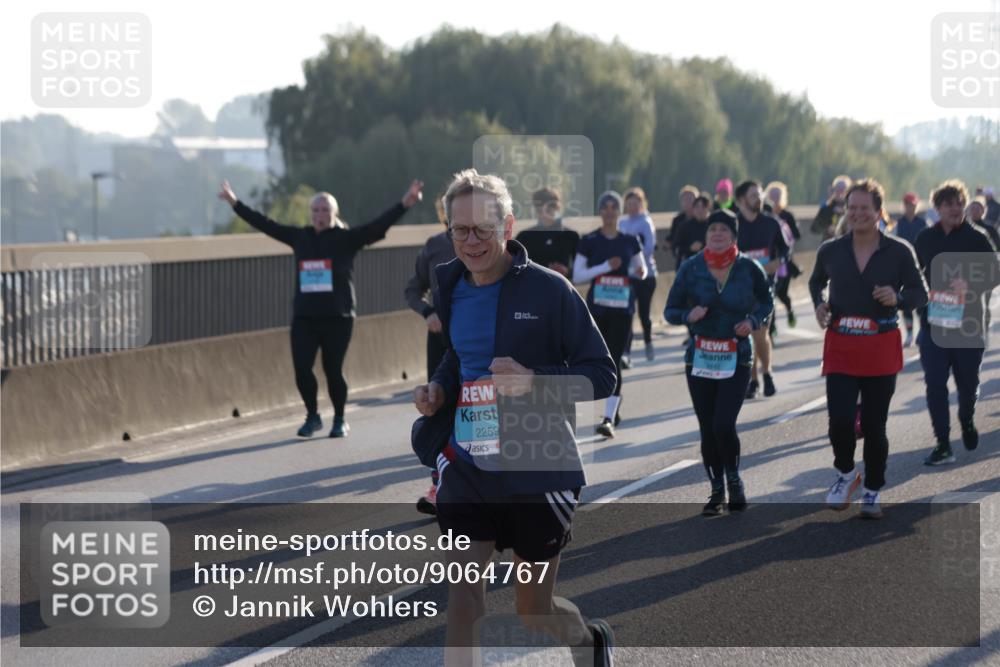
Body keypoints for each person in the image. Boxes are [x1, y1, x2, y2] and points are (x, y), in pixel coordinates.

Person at [412, 169, 617, 667]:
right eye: (460, 230)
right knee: (462, 600)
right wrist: (439, 387)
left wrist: (534, 381)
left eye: (483, 228)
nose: (471, 241)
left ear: (507, 226)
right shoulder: (451, 285)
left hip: (536, 467)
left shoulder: (551, 292)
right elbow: (461, 356)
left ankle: (590, 641)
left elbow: (603, 376)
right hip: (468, 466)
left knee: (534, 611)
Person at [219, 178, 424, 438]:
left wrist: (404, 204)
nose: (320, 214)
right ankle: (312, 416)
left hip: (338, 316)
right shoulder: (300, 237)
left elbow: (377, 227)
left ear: (334, 213)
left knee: (332, 369)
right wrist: (234, 202)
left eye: (325, 209)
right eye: (316, 210)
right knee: (302, 368)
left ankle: (339, 419)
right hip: (305, 316)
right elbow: (265, 224)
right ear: (311, 214)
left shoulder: (346, 239)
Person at [809, 178, 928, 519]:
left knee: (875, 426)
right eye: (853, 208)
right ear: (845, 211)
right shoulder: (830, 250)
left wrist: (899, 297)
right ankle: (846, 474)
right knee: (840, 422)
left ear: (878, 212)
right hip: (841, 346)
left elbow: (921, 293)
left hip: (880, 346)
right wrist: (819, 304)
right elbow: (816, 281)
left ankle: (873, 490)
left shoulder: (899, 250)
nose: (858, 213)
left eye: (865, 208)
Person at [664, 208, 772, 516]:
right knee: (707, 428)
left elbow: (767, 300)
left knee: (724, 424)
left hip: (736, 356)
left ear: (734, 235)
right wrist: (688, 316)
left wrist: (752, 320)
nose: (717, 234)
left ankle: (734, 479)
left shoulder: (749, 268)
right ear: (706, 234)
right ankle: (716, 490)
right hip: (699, 357)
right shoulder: (691, 268)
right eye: (713, 230)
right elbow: (669, 310)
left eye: (724, 230)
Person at [915, 180, 1000, 466]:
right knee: (935, 384)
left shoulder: (977, 238)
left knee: (968, 384)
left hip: (969, 326)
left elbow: (995, 274)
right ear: (937, 208)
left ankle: (966, 418)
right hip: (934, 326)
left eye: (958, 203)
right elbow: (912, 276)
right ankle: (942, 443)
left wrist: (971, 282)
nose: (955, 208)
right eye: (948, 204)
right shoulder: (925, 239)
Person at [574, 190, 648, 437]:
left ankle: (607, 418)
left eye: (613, 207)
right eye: (604, 207)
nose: (608, 211)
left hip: (623, 308)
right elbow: (578, 276)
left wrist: (639, 272)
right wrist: (606, 266)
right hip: (597, 308)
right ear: (600, 211)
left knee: (615, 360)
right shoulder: (589, 240)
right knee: (597, 359)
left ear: (620, 211)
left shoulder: (629, 240)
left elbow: (642, 269)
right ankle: (611, 407)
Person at [404, 194, 457, 515]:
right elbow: (412, 289)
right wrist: (427, 312)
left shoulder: (491, 243)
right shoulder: (434, 246)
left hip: (478, 336)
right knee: (438, 406)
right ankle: (438, 485)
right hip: (441, 338)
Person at [734, 180, 788, 399]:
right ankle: (753, 380)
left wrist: (778, 262)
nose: (759, 198)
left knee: (760, 333)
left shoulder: (771, 223)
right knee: (746, 334)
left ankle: (767, 373)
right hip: (739, 288)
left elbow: (786, 249)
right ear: (740, 200)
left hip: (764, 287)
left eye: (759, 194)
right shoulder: (732, 225)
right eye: (753, 195)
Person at [618, 186, 658, 363]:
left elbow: (649, 247)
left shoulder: (646, 222)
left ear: (641, 204)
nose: (632, 207)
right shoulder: (622, 223)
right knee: (627, 313)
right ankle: (626, 352)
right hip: (627, 275)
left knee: (643, 313)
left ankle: (648, 341)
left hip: (645, 275)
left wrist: (636, 261)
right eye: (629, 204)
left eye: (636, 203)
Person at [515, 187, 580, 279]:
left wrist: (567, 272)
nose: (545, 211)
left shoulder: (572, 236)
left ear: (558, 207)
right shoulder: (524, 237)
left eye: (551, 206)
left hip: (561, 290)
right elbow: (514, 269)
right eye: (540, 207)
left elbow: (582, 271)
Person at [892, 192, 929, 346]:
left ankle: (921, 330)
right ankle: (908, 334)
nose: (910, 207)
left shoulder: (923, 224)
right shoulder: (898, 224)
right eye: (907, 205)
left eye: (912, 205)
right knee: (905, 302)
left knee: (921, 302)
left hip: (921, 267)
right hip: (903, 267)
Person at [763, 181, 802, 328]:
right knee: (770, 294)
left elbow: (796, 236)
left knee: (782, 294)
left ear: (783, 197)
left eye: (777, 195)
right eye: (772, 195)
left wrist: (784, 232)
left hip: (784, 261)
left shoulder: (787, 216)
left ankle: (790, 310)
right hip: (768, 260)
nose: (774, 198)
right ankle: (771, 327)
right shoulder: (764, 214)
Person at [675, 193, 712, 265]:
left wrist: (703, 247)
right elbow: (676, 248)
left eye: (703, 207)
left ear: (708, 208)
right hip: (688, 266)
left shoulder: (714, 226)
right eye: (697, 207)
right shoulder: (684, 226)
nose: (700, 210)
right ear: (693, 208)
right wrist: (690, 248)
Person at [668, 185, 699, 269]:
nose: (688, 202)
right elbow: (674, 243)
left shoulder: (702, 220)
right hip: (682, 263)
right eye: (685, 199)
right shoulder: (677, 220)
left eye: (691, 198)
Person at [812, 175, 851, 239]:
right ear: (834, 190)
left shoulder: (852, 209)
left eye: (844, 188)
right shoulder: (826, 208)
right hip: (829, 244)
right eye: (838, 188)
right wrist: (827, 228)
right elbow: (814, 228)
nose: (841, 191)